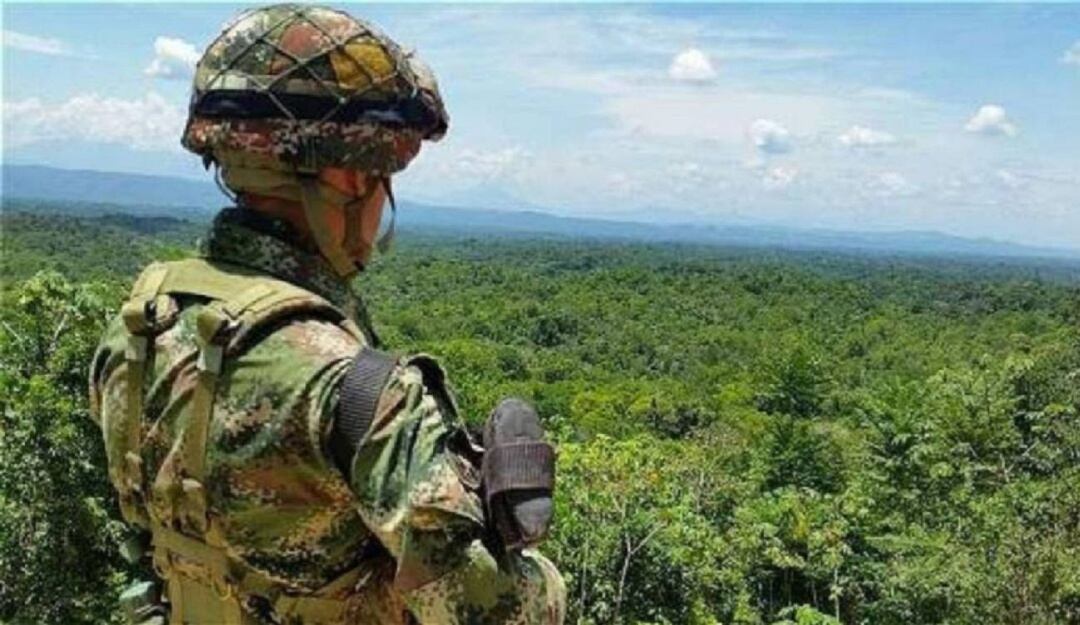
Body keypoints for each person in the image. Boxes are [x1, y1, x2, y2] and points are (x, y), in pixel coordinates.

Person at [88, 4, 566, 623]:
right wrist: (536, 574)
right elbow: (494, 613)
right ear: (345, 179)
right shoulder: (360, 392)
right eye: (381, 182)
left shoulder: (139, 327)